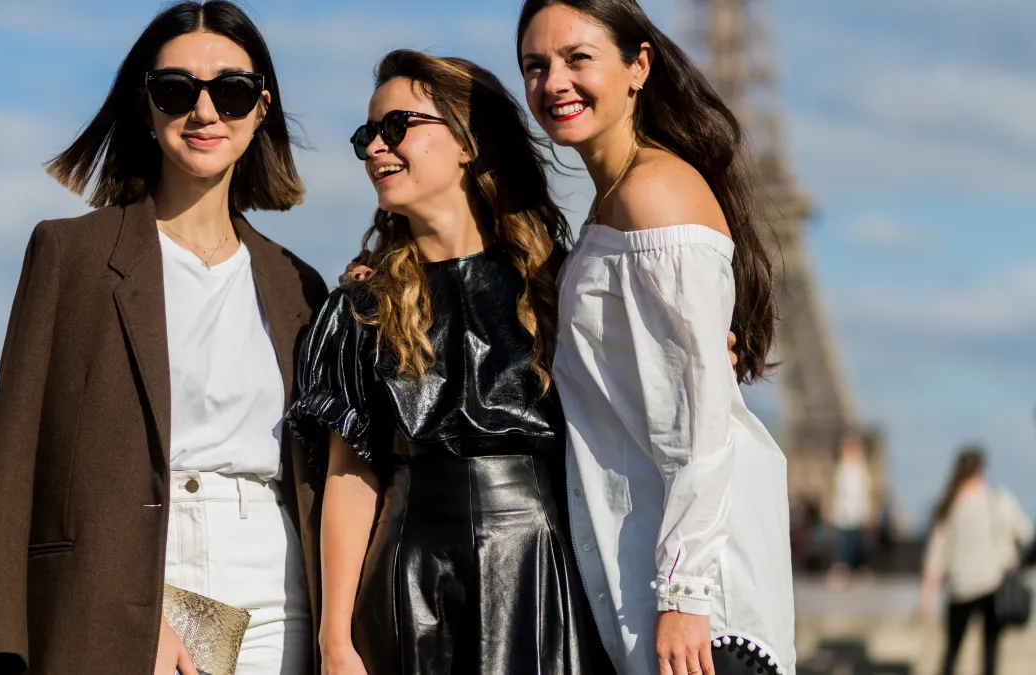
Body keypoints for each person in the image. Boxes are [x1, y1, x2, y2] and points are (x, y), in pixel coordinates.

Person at [0, 3, 328, 674]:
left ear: (263, 106)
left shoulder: (298, 284)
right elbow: (14, 458)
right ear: (146, 104)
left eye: (233, 90)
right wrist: (2, 642)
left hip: (278, 589)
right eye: (176, 89)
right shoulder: (70, 253)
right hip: (126, 585)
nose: (205, 111)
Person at [288, 50, 609, 675]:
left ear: (468, 142)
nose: (376, 148)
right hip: (410, 570)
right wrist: (334, 641)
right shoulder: (360, 308)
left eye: (396, 126)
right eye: (366, 135)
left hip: (542, 564)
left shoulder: (561, 284)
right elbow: (350, 479)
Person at [516, 2, 796, 674]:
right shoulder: (617, 200)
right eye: (536, 65)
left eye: (578, 58)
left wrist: (684, 593)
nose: (554, 81)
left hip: (700, 607)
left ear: (639, 66)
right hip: (665, 587)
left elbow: (699, 419)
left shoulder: (655, 193)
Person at [919, 447, 1034, 675]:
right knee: (990, 650)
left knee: (952, 650)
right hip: (993, 583)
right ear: (982, 471)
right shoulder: (1000, 501)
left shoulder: (949, 506)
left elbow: (936, 555)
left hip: (960, 587)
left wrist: (926, 597)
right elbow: (1026, 535)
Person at [825, 433, 876, 586]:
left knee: (857, 543)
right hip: (843, 513)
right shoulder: (840, 469)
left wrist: (869, 510)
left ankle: (859, 570)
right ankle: (842, 569)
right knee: (843, 543)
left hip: (857, 513)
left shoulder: (862, 470)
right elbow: (833, 491)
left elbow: (867, 492)